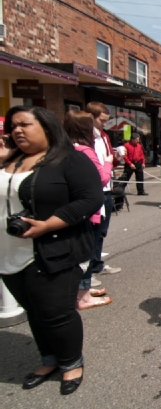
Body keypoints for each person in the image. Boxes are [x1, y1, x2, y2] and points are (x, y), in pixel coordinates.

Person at [0, 106, 103, 394]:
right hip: (9, 253)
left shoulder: (70, 160)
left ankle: (71, 363)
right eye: (13, 125)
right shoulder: (10, 160)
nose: (16, 130)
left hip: (52, 250)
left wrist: (47, 225)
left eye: (24, 124)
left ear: (46, 127)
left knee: (56, 313)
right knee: (34, 310)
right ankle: (49, 359)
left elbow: (90, 198)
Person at [62, 110, 114, 310]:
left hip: (74, 208)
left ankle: (82, 289)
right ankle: (83, 296)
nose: (97, 129)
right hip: (88, 209)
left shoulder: (66, 149)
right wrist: (108, 164)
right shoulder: (85, 151)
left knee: (84, 249)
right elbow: (101, 178)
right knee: (86, 250)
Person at [86, 102, 121, 281]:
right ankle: (87, 272)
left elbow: (109, 161)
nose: (104, 124)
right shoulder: (84, 137)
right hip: (92, 190)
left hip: (106, 189)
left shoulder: (104, 137)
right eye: (102, 120)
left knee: (101, 230)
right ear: (90, 117)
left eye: (107, 120)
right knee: (91, 231)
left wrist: (117, 159)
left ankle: (96, 264)